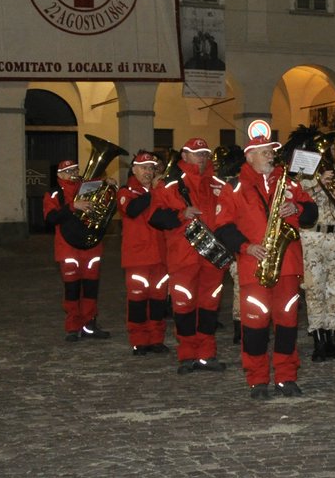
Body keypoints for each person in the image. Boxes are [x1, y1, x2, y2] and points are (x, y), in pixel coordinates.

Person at [212, 127, 318, 399]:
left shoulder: (291, 184)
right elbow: (223, 228)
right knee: (255, 326)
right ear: (249, 158)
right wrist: (247, 247)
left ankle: (286, 376)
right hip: (254, 266)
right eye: (264, 152)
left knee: (287, 325)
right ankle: (258, 379)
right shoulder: (233, 187)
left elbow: (311, 213)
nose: (270, 155)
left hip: (289, 265)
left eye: (271, 151)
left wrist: (298, 209)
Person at [148, 139, 228, 374]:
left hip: (212, 256)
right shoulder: (170, 184)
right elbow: (155, 217)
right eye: (196, 154)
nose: (202, 158)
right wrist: (182, 213)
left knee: (209, 306)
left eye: (204, 153)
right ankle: (187, 355)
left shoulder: (218, 184)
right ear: (184, 155)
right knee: (183, 306)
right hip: (183, 256)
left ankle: (207, 354)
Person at [41, 159, 112, 342]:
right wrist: (73, 207)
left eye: (75, 169)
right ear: (60, 175)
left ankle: (89, 324)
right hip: (68, 247)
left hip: (91, 246)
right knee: (72, 290)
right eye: (69, 171)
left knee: (90, 289)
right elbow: (51, 218)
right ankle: (73, 327)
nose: (74, 173)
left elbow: (102, 208)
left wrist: (108, 187)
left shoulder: (89, 187)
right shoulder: (54, 193)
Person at [300, 138, 335, 363]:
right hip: (313, 237)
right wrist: (318, 183)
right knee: (315, 290)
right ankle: (318, 340)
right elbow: (296, 200)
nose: (330, 152)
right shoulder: (303, 178)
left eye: (332, 149)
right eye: (326, 149)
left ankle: (333, 337)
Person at [117, 151, 171, 355]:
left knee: (158, 301)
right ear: (134, 169)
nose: (149, 172)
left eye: (151, 168)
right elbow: (132, 210)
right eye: (144, 167)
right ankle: (139, 340)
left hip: (160, 255)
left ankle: (156, 339)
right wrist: (154, 192)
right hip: (137, 256)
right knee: (138, 301)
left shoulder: (160, 190)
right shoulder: (126, 191)